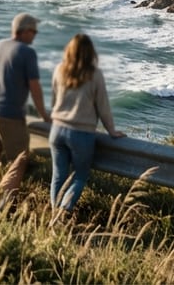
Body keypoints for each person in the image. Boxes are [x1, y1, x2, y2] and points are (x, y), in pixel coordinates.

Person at [0, 12, 50, 213]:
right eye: (33, 31)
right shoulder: (27, 53)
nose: (35, 35)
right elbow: (34, 87)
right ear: (25, 31)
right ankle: (5, 209)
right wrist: (44, 114)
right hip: (8, 113)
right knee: (19, 158)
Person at [49, 33, 125, 214]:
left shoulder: (60, 69)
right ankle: (64, 212)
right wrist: (112, 131)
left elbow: (53, 101)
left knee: (58, 176)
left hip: (57, 130)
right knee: (80, 176)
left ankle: (54, 215)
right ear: (91, 53)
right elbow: (103, 107)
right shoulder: (95, 75)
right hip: (80, 133)